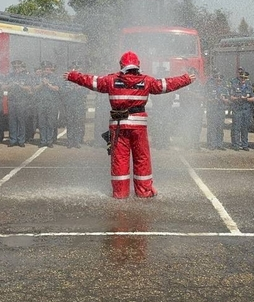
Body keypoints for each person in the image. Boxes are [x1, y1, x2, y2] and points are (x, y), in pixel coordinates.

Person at [64, 51, 194, 199]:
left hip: (118, 127)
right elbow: (165, 85)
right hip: (139, 127)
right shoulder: (146, 81)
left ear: (121, 65)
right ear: (138, 65)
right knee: (142, 158)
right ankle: (144, 191)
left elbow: (92, 81)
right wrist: (186, 79)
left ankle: (120, 193)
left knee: (119, 160)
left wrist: (72, 76)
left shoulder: (111, 80)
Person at [6, 61, 33, 148]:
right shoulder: (10, 76)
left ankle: (21, 140)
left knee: (21, 121)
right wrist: (11, 85)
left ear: (21, 67)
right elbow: (3, 87)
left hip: (22, 101)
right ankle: (13, 140)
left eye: (18, 67)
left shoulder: (26, 77)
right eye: (15, 67)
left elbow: (29, 88)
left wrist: (21, 86)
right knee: (12, 121)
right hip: (12, 100)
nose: (16, 69)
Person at [229, 71, 254, 150]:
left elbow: (253, 99)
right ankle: (236, 145)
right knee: (236, 128)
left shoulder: (249, 87)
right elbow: (231, 97)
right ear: (239, 78)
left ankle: (244, 145)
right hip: (237, 109)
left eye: (245, 78)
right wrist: (239, 98)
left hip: (246, 110)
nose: (243, 79)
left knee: (245, 128)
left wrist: (246, 99)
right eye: (241, 77)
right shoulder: (234, 86)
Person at [204, 71, 229, 150]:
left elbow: (228, 100)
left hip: (220, 110)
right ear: (214, 79)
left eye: (220, 80)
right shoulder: (210, 88)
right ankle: (211, 144)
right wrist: (211, 100)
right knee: (212, 128)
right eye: (217, 79)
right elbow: (205, 98)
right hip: (212, 110)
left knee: (220, 128)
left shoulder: (224, 89)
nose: (219, 81)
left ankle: (219, 144)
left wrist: (224, 100)